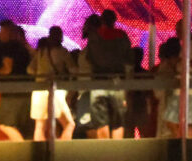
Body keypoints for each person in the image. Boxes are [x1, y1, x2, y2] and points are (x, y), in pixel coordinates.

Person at [85, 9, 131, 139]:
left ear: (102, 20)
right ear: (115, 21)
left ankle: (104, 153)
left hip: (98, 81)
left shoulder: (94, 36)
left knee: (100, 120)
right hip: (117, 82)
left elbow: (89, 58)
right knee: (118, 121)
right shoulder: (122, 36)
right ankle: (118, 152)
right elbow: (129, 58)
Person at [0, 20, 32, 140]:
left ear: (9, 32)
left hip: (11, 91)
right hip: (26, 90)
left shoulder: (8, 48)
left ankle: (22, 151)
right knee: (22, 126)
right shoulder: (24, 49)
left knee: (5, 123)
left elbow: (6, 70)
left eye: (2, 31)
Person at [29, 28, 75, 141]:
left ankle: (38, 155)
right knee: (69, 124)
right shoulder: (63, 52)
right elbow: (73, 70)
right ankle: (62, 154)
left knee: (39, 127)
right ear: (60, 37)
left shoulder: (41, 52)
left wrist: (41, 75)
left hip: (38, 91)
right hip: (56, 91)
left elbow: (30, 69)